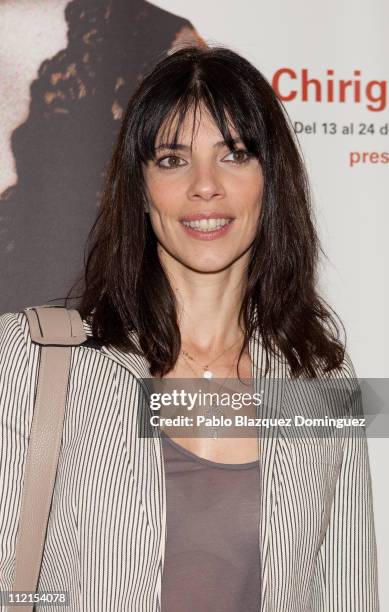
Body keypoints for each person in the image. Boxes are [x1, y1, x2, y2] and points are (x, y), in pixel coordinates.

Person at [0, 46, 379, 611]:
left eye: (235, 154)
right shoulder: (32, 358)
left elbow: (350, 594)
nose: (206, 185)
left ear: (270, 181)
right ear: (141, 189)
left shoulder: (320, 379)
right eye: (173, 160)